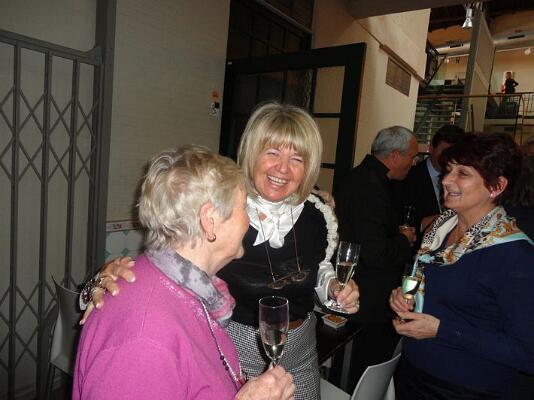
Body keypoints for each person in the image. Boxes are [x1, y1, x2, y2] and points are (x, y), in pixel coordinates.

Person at [79, 102, 360, 399]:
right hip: (239, 345)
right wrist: (106, 281)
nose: (283, 167)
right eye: (272, 152)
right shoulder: (221, 206)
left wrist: (332, 286)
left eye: (297, 158)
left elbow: (170, 268)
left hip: (300, 348)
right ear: (209, 218)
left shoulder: (316, 214)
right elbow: (167, 265)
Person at [73, 145, 295, 400]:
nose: (249, 220)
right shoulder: (144, 338)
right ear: (209, 220)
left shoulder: (194, 292)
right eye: (244, 207)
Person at [390, 133, 534, 399]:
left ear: (497, 186)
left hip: (464, 389)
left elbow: (527, 353)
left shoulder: (515, 255)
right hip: (412, 373)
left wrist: (442, 330)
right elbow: (425, 279)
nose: (446, 180)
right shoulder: (441, 227)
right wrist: (404, 295)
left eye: (463, 173)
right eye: (448, 170)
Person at [334, 126, 418, 391]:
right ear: (395, 155)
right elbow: (375, 253)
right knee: (361, 373)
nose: (413, 163)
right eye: (412, 157)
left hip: (363, 294)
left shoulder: (365, 177)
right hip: (367, 300)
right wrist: (404, 239)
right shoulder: (369, 186)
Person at [394, 124, 465, 240]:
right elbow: (396, 220)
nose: (448, 158)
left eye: (455, 153)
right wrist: (441, 220)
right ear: (431, 148)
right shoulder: (406, 177)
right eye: (444, 152)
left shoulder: (464, 182)